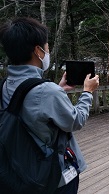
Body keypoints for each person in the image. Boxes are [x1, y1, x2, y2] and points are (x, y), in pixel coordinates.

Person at [0, 17, 99, 193]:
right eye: (46, 47)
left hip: (17, 170)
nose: (48, 50)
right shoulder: (47, 92)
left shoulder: (5, 84)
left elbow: (28, 109)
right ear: (38, 51)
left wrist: (59, 89)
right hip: (50, 176)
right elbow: (76, 121)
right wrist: (87, 92)